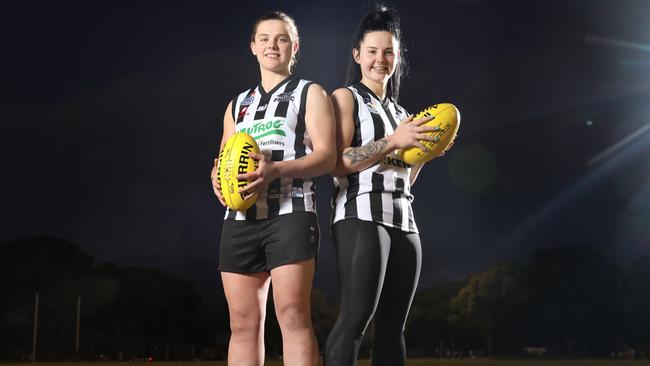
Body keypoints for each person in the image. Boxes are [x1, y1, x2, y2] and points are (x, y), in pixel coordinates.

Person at [210, 11, 335, 366]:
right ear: (253, 47)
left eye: (281, 39)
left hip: (290, 212)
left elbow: (327, 157)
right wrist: (218, 180)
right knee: (243, 323)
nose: (272, 45)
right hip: (238, 218)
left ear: (293, 47)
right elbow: (221, 159)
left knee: (293, 315)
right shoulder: (237, 104)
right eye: (264, 39)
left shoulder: (309, 92)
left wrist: (275, 170)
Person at [325, 5, 444, 366]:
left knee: (393, 329)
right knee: (355, 319)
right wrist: (394, 141)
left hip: (404, 219)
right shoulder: (345, 98)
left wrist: (424, 154)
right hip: (360, 212)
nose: (380, 59)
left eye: (389, 51)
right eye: (373, 51)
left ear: (397, 57)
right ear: (357, 54)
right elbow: (338, 162)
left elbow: (404, 179)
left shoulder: (403, 114)